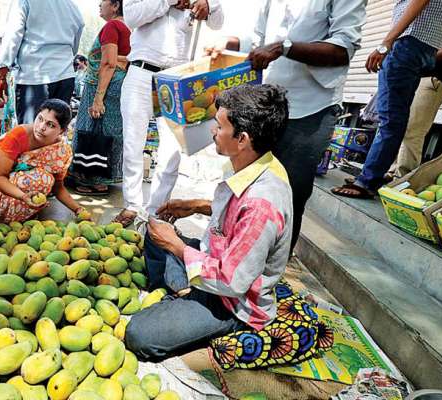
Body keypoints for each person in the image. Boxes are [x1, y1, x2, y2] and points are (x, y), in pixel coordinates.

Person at [125, 84, 293, 360]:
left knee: (139, 334)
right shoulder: (259, 164)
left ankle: (189, 299)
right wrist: (196, 206)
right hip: (216, 255)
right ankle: (185, 289)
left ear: (242, 139)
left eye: (219, 126)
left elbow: (232, 281)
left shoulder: (263, 202)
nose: (213, 131)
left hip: (233, 299)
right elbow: (238, 214)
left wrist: (178, 247)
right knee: (154, 238)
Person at [208, 0, 365, 250]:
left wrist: (284, 48)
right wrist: (231, 44)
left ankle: (270, 273)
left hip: (310, 108)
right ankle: (229, 257)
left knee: (290, 196)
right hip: (265, 107)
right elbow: (258, 37)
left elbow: (343, 49)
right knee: (243, 185)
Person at [114, 0, 224, 227]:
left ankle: (156, 211)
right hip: (141, 71)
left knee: (171, 152)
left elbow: (217, 22)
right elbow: (132, 17)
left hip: (178, 77)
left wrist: (207, 3)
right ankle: (132, 206)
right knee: (133, 144)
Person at [332, 0, 442, 198]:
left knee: (390, 119)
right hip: (425, 46)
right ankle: (374, 174)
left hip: (408, 41)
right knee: (396, 118)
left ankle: (367, 181)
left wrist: (386, 42)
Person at [0, 99, 88, 231]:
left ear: (62, 131)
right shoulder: (19, 135)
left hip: (23, 191)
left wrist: (78, 209)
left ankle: (12, 222)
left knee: (42, 180)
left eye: (51, 125)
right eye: (40, 119)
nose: (41, 127)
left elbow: (58, 187)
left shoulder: (61, 151)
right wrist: (23, 196)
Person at [387, 1, 442, 178]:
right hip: (414, 76)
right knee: (397, 125)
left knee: (413, 129)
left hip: (434, 79)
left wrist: (424, 57)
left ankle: (402, 177)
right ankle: (388, 171)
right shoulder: (434, 15)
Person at [69, 0, 130, 196]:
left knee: (90, 128)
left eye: (103, 1)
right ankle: (105, 178)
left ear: (114, 6)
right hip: (121, 85)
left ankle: (90, 179)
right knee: (110, 131)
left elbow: (108, 63)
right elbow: (126, 59)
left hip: (103, 85)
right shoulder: (131, 29)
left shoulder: (112, 26)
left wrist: (98, 98)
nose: (99, 4)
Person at [0, 0, 84, 124]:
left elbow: (13, 35)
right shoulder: (72, 6)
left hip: (34, 76)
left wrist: (1, 74)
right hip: (65, 75)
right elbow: (75, 44)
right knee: (54, 131)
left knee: (31, 132)